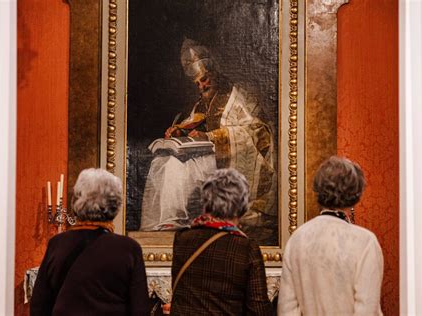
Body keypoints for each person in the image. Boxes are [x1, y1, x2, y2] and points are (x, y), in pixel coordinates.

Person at [140, 38, 277, 242]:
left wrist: (212, 137)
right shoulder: (202, 102)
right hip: (209, 157)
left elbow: (257, 132)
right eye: (197, 83)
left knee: (179, 168)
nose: (202, 86)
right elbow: (195, 122)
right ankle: (169, 221)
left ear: (215, 73)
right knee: (167, 163)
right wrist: (180, 131)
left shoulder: (239, 97)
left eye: (204, 79)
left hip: (232, 162)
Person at [30, 168, 151, 316]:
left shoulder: (57, 244)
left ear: (76, 201)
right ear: (116, 204)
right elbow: (140, 309)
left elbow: (39, 306)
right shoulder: (128, 249)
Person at [278, 156, 384, 315]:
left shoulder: (298, 239)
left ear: (318, 191)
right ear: (356, 194)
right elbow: (367, 310)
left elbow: (287, 309)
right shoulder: (364, 242)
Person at [170, 168, 273, 315]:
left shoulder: (182, 238)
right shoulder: (246, 248)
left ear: (206, 201)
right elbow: (258, 309)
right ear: (242, 206)